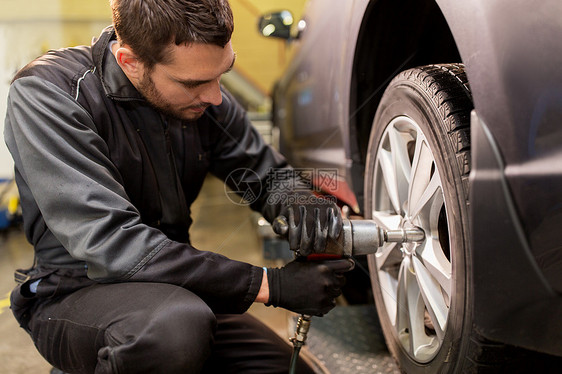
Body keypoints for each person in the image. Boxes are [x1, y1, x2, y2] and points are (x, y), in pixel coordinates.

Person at [4, 0, 353, 373]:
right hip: (75, 293)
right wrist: (269, 285)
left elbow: (262, 173)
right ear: (129, 62)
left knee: (289, 370)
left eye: (223, 73)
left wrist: (299, 202)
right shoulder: (50, 94)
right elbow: (113, 244)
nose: (216, 96)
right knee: (172, 334)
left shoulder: (204, 101)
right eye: (194, 83)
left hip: (177, 289)